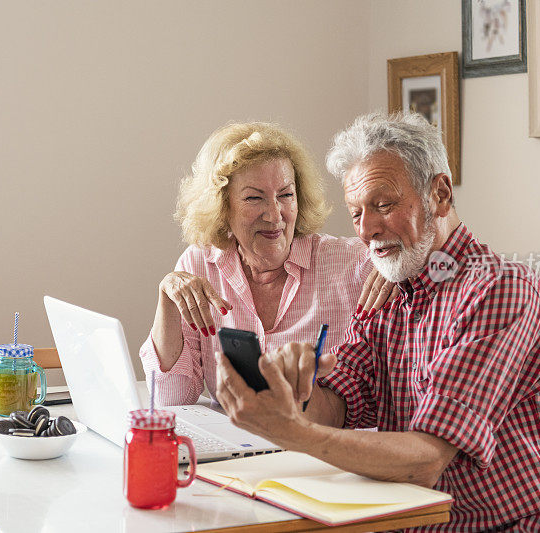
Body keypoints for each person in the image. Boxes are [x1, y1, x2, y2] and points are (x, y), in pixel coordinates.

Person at [214, 112, 540, 531]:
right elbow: (343, 404)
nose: (367, 230)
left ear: (439, 194)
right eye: (356, 212)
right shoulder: (389, 290)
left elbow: (425, 460)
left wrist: (292, 431)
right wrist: (295, 392)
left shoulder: (499, 290)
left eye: (384, 205)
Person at [139, 122, 395, 405]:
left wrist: (398, 266)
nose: (274, 215)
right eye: (253, 198)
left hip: (318, 444)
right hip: (235, 444)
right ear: (222, 206)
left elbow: (434, 258)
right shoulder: (199, 265)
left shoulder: (354, 262)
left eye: (286, 195)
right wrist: (166, 300)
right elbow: (169, 397)